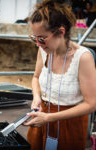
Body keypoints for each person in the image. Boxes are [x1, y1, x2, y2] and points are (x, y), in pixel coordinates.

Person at [23, 0, 96, 150]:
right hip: (41, 120)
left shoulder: (83, 57)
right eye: (34, 38)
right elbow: (36, 77)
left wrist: (50, 118)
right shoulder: (43, 50)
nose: (37, 43)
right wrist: (37, 97)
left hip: (69, 127)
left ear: (61, 32)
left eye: (41, 38)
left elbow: (91, 104)